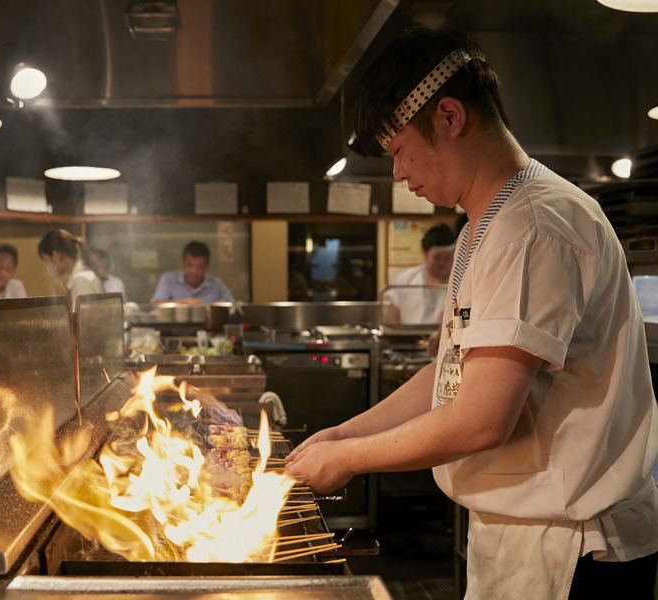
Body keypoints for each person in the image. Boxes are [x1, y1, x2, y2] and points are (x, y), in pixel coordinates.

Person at [286, 27, 658, 599]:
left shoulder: (533, 228)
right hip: (530, 535)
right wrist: (341, 433)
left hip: (573, 546)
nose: (399, 173)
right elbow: (452, 376)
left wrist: (351, 460)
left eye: (399, 151)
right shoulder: (486, 226)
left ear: (450, 117)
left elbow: (481, 418)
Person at [384, 223, 455, 325]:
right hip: (408, 338)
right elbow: (393, 315)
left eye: (448, 257)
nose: (442, 262)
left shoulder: (460, 281)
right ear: (424, 252)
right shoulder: (405, 279)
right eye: (437, 257)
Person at [152, 241, 234, 305]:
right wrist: (183, 303)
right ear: (183, 262)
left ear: (207, 266)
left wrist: (221, 306)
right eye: (189, 265)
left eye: (199, 267)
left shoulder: (216, 284)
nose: (193, 271)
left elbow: (234, 306)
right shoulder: (168, 279)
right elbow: (156, 304)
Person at [37, 229, 104, 304]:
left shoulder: (81, 279)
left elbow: (87, 315)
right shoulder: (82, 276)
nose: (48, 267)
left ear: (56, 256)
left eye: (46, 261)